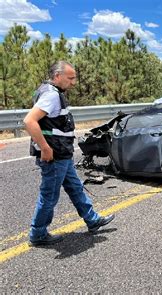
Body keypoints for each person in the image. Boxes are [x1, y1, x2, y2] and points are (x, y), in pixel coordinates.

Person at [23, 61, 114, 246]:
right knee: (49, 195)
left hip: (62, 154)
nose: (74, 82)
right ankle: (38, 233)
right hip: (54, 155)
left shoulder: (49, 91)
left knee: (75, 187)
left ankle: (92, 219)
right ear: (58, 76)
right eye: (70, 78)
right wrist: (46, 149)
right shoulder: (51, 95)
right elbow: (29, 121)